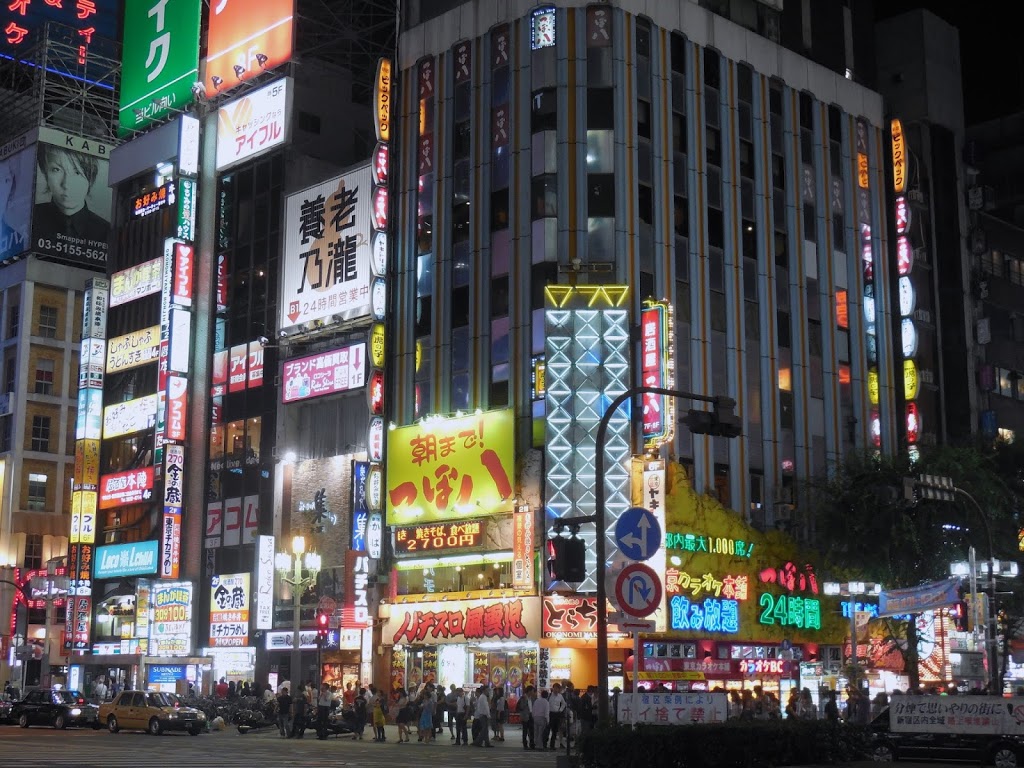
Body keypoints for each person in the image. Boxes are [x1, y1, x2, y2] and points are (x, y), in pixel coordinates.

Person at [33, 143, 109, 247]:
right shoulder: (30, 221)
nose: (66, 184)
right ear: (44, 172)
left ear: (91, 177)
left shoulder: (107, 232)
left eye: (77, 172)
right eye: (56, 170)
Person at [547, 683, 566, 749]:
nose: (556, 689)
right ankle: (545, 743)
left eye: (557, 688)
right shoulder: (549, 695)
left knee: (555, 730)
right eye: (555, 688)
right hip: (550, 714)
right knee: (548, 729)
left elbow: (564, 704)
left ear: (559, 689)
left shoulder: (560, 696)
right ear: (553, 688)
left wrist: (560, 710)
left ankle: (552, 745)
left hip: (557, 714)